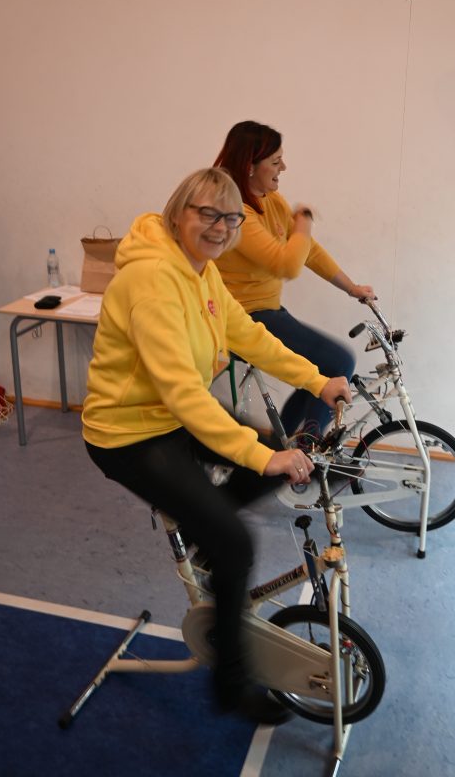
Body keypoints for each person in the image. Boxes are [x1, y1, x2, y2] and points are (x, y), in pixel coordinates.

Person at [82, 167, 351, 724]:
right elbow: (183, 393)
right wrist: (263, 455)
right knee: (237, 542)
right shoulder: (151, 280)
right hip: (126, 434)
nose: (221, 227)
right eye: (208, 214)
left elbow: (249, 335)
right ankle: (231, 685)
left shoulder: (201, 272)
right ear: (178, 212)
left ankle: (207, 535)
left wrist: (317, 380)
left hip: (167, 416)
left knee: (272, 458)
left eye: (231, 218)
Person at [213, 120, 375, 437]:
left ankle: (286, 444)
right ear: (249, 167)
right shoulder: (237, 214)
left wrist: (352, 288)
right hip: (243, 317)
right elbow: (286, 264)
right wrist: (304, 223)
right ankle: (306, 447)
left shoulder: (271, 200)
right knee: (339, 362)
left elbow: (307, 250)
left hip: (267, 312)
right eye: (276, 162)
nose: (283, 168)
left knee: (325, 366)